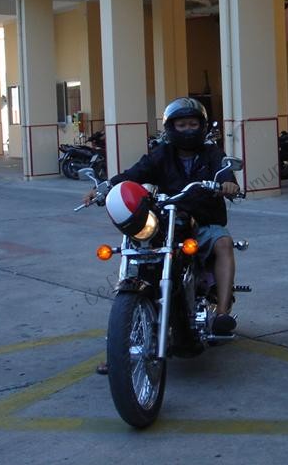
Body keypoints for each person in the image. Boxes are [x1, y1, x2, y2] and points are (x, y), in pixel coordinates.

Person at [85, 97, 241, 340]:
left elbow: (225, 172)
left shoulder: (211, 153)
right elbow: (134, 173)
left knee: (224, 243)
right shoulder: (161, 154)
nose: (188, 130)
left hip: (204, 220)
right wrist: (106, 187)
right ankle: (127, 327)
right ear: (171, 128)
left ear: (202, 126)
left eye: (193, 124)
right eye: (182, 125)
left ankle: (221, 314)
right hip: (168, 219)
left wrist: (228, 184)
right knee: (137, 246)